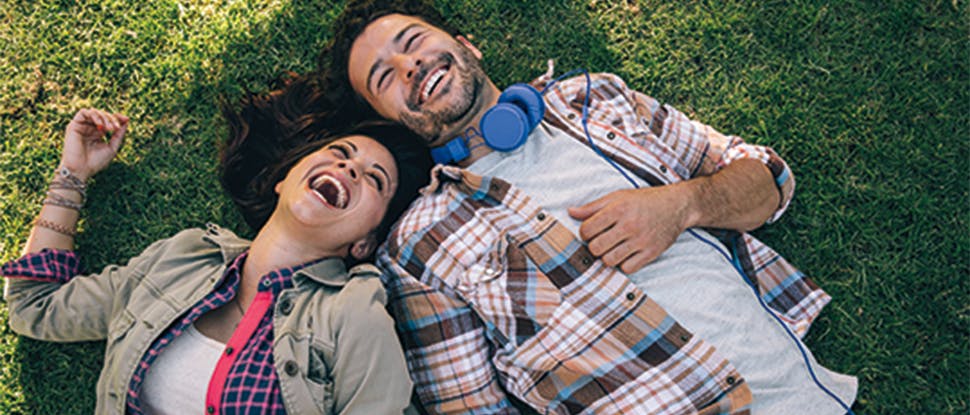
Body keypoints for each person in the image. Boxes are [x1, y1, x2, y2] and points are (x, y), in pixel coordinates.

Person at [304, 1, 858, 414]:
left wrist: (683, 204)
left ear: (466, 43)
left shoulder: (597, 100)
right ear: (390, 121)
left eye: (413, 40)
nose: (409, 67)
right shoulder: (417, 246)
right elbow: (470, 409)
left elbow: (770, 180)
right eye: (384, 77)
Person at [1, 104, 433, 414]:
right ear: (284, 181)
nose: (350, 168)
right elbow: (35, 305)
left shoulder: (354, 313)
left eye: (375, 179)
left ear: (363, 243)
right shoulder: (182, 258)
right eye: (340, 153)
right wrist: (72, 174)